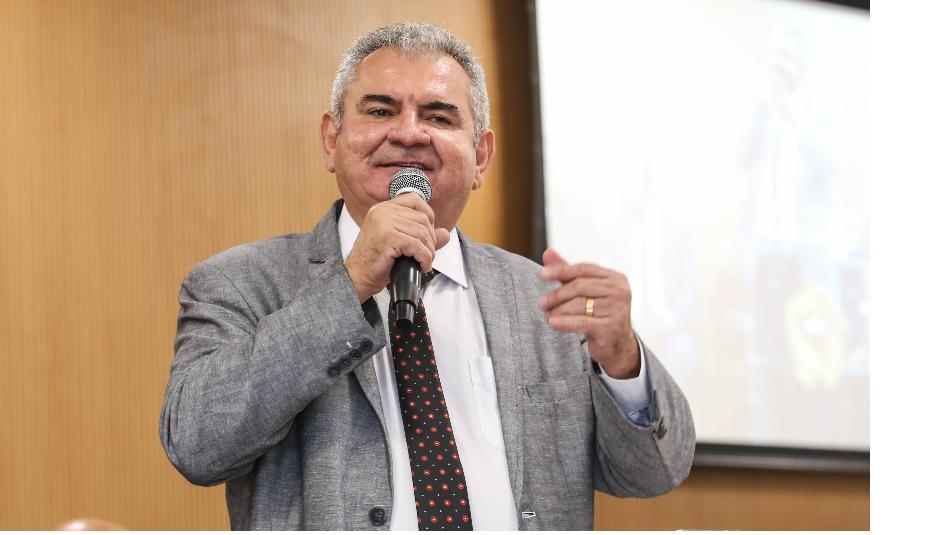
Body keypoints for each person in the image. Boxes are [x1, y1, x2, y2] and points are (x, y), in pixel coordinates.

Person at [160, 22, 694, 530]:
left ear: (480, 157)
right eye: (380, 110)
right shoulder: (240, 283)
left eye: (438, 117)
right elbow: (197, 446)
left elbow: (652, 473)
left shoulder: (545, 301)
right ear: (331, 139)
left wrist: (622, 361)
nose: (409, 133)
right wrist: (349, 285)